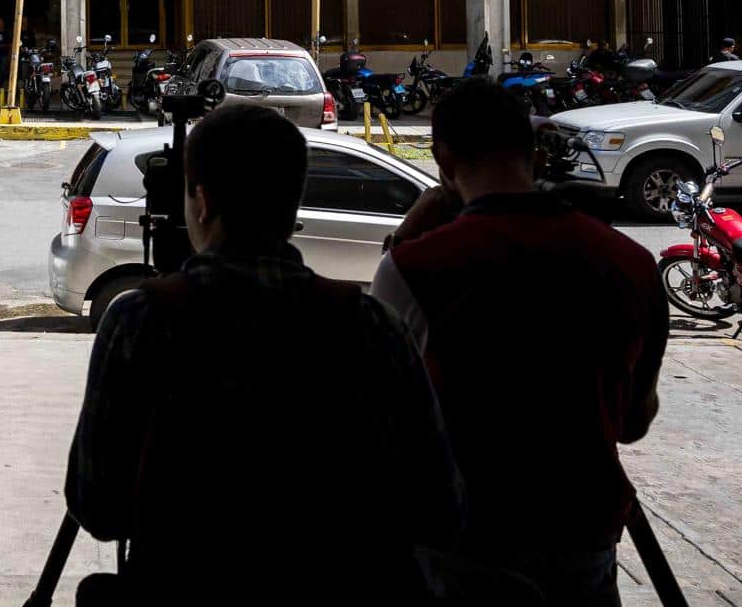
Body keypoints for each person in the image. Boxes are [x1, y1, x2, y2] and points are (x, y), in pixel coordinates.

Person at [63, 102, 462, 602]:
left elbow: (96, 506)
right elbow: (436, 507)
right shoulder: (370, 326)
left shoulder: (141, 323)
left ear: (201, 202)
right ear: (293, 202)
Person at [371, 80, 667, 605]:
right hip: (582, 533)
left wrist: (408, 232)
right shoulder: (630, 262)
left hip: (469, 540)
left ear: (442, 159)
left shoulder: (416, 269)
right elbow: (633, 424)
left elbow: (385, 419)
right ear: (531, 154)